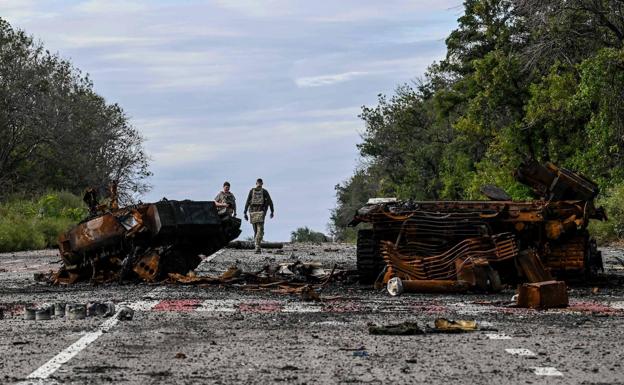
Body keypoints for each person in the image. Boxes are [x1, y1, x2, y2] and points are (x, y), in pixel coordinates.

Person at [243, 178, 274, 253]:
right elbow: (270, 202)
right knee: (259, 231)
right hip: (260, 213)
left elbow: (247, 202)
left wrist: (245, 212)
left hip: (253, 213)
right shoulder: (264, 191)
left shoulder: (252, 191)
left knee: (256, 230)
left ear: (256, 183)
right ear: (262, 184)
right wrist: (272, 211)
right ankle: (257, 246)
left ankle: (257, 246)